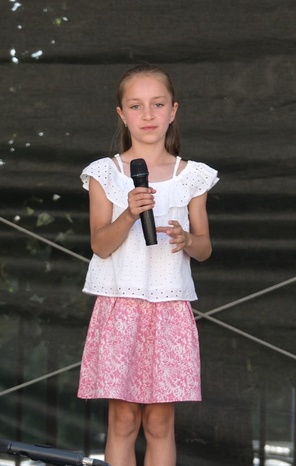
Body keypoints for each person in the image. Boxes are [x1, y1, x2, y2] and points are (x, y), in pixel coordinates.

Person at [77, 64, 219, 466]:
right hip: (120, 305)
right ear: (122, 114)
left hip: (169, 308)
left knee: (159, 421)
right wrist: (128, 214)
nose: (148, 115)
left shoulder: (192, 176)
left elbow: (205, 248)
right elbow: (100, 245)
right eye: (136, 106)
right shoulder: (105, 173)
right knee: (123, 419)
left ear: (173, 110)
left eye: (157, 104)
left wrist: (187, 239)